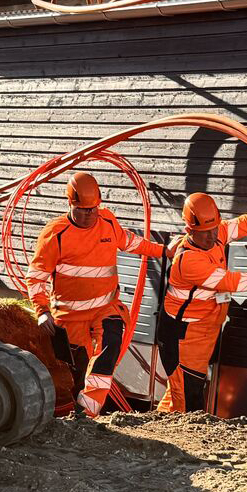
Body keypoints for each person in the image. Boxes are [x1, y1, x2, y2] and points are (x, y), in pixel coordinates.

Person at [27, 172, 163, 417]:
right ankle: (77, 418)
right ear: (70, 203)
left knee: (109, 348)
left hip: (106, 308)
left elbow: (130, 242)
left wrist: (162, 251)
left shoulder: (107, 221)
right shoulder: (54, 234)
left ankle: (89, 413)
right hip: (69, 317)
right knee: (77, 374)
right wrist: (41, 311)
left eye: (94, 209)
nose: (90, 214)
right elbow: (36, 276)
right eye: (84, 209)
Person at [157, 187, 247, 413]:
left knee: (180, 392)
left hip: (201, 332)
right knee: (187, 401)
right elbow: (231, 282)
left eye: (215, 228)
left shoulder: (214, 234)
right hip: (183, 339)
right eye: (205, 232)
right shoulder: (187, 261)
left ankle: (156, 427)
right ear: (189, 230)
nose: (213, 236)